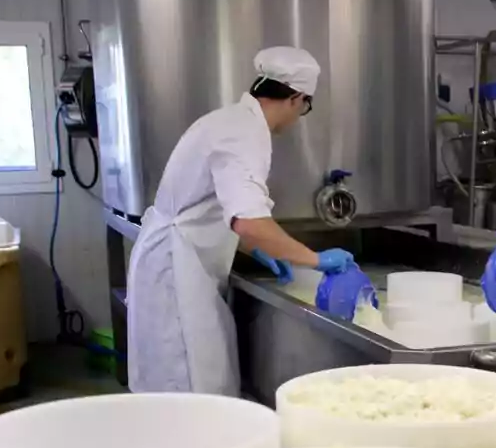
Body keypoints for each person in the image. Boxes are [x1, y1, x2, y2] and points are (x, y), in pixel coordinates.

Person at [127, 46, 354, 396]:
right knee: (190, 389)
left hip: (185, 261)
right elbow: (248, 221)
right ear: (295, 98)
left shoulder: (231, 121)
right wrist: (316, 260)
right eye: (305, 106)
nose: (299, 117)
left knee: (199, 382)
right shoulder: (244, 134)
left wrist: (261, 249)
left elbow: (215, 207)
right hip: (176, 271)